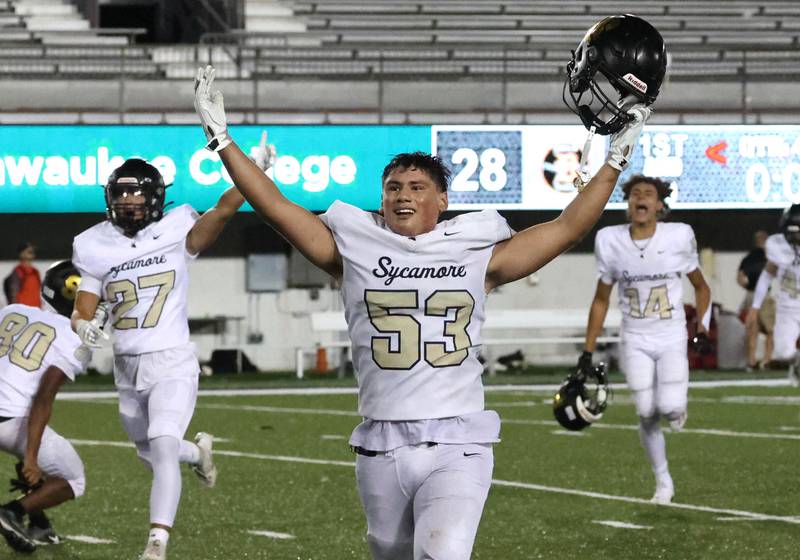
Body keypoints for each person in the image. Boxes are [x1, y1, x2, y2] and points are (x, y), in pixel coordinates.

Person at [193, 60, 652, 558]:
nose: (402, 196)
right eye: (393, 188)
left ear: (442, 199)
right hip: (381, 443)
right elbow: (275, 207)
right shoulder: (354, 246)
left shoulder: (476, 249)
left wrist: (613, 164)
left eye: (416, 188)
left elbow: (566, 228)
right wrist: (222, 141)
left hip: (458, 441)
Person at [70, 145, 273, 560]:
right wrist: (82, 325)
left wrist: (253, 170)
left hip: (172, 360)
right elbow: (83, 306)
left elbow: (221, 211)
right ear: (110, 196)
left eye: (136, 193)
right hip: (126, 367)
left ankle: (156, 544)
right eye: (122, 193)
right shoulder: (91, 244)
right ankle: (198, 453)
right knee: (150, 453)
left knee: (162, 446)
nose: (128, 201)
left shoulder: (179, 227)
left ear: (155, 196)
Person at [580, 175, 712, 505]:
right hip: (635, 336)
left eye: (648, 194)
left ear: (659, 205)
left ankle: (678, 408)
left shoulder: (678, 237)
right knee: (645, 410)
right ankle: (663, 481)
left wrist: (703, 327)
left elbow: (702, 287)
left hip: (669, 335)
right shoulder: (611, 241)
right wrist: (588, 350)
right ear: (628, 204)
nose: (640, 197)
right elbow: (600, 300)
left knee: (669, 407)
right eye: (635, 193)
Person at [0, 261, 90, 553]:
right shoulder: (76, 338)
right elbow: (43, 397)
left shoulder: (12, 311)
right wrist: (30, 458)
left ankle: (40, 525)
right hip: (10, 420)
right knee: (73, 479)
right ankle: (12, 512)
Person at [748, 205, 800, 387]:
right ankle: (797, 363)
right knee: (783, 353)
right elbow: (767, 275)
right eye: (791, 232)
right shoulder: (778, 245)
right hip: (787, 308)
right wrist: (755, 307)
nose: (795, 237)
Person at [738, 230, 774, 370]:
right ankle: (767, 359)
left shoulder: (747, 258)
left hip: (750, 295)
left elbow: (740, 279)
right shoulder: (769, 257)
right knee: (771, 330)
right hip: (764, 296)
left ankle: (751, 361)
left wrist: (748, 285)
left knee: (752, 330)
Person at [3, 242, 41, 308]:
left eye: (32, 251)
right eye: (29, 251)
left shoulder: (35, 272)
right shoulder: (18, 272)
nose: (32, 252)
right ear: (21, 253)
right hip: (23, 314)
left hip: (36, 312)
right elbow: (13, 296)